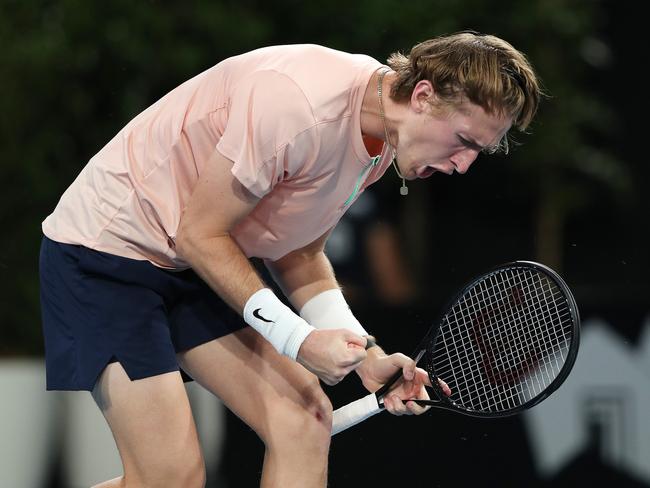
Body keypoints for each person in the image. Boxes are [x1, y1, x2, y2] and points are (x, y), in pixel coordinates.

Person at [39, 31, 541, 487]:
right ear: (424, 96)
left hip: (194, 261)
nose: (463, 165)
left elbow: (299, 251)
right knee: (170, 477)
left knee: (304, 422)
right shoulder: (298, 106)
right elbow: (199, 234)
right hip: (107, 253)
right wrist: (298, 340)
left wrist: (367, 356)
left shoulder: (384, 138)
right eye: (464, 142)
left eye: (480, 152)